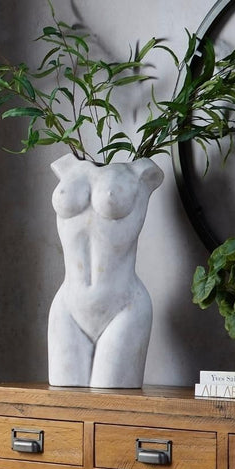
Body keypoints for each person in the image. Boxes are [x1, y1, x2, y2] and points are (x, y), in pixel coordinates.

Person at [48, 154, 164, 387]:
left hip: (124, 307)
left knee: (110, 404)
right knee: (63, 409)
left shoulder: (140, 172)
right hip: (68, 307)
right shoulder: (66, 166)